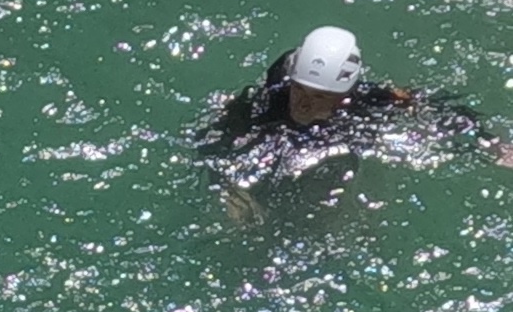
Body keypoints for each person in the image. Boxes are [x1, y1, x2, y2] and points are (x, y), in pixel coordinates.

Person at [199, 25, 511, 211]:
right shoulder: (266, 102)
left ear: (342, 96)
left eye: (319, 97)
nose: (303, 106)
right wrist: (230, 190)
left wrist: (490, 143)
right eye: (300, 91)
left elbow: (432, 105)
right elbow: (213, 142)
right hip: (276, 150)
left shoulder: (363, 101)